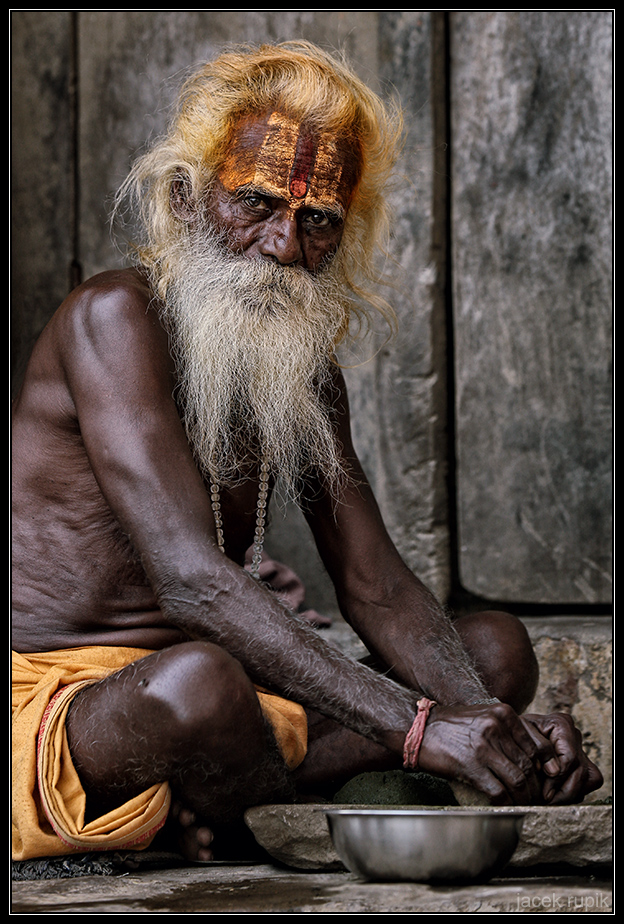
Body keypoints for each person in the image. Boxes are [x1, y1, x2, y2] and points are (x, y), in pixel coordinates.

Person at [12, 40, 602, 864]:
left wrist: (492, 732)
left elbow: (376, 584)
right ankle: (247, 813)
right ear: (186, 200)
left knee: (496, 650)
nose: (285, 244)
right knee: (198, 682)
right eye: (255, 202)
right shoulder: (113, 317)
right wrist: (419, 728)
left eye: (318, 218)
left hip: (239, 707)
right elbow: (190, 579)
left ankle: (230, 807)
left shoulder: (304, 368)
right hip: (79, 710)